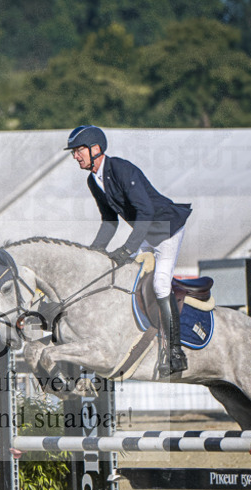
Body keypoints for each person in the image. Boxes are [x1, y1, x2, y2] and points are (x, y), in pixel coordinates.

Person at [65, 124, 192, 376]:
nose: (75, 156)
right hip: (145, 233)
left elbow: (145, 211)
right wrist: (95, 252)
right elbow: (110, 220)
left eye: (79, 150)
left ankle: (176, 352)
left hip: (167, 231)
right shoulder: (94, 180)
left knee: (160, 285)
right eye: (74, 152)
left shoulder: (122, 169)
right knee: (123, 281)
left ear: (96, 149)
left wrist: (127, 249)